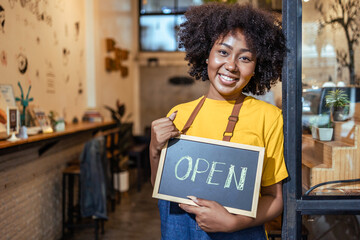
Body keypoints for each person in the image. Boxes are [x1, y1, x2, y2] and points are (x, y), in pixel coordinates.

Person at [149, 3, 288, 239]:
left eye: (245, 58)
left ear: (256, 67)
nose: (231, 65)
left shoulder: (269, 117)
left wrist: (234, 223)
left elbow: (275, 199)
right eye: (223, 52)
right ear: (206, 55)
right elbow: (160, 187)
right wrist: (154, 148)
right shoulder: (179, 115)